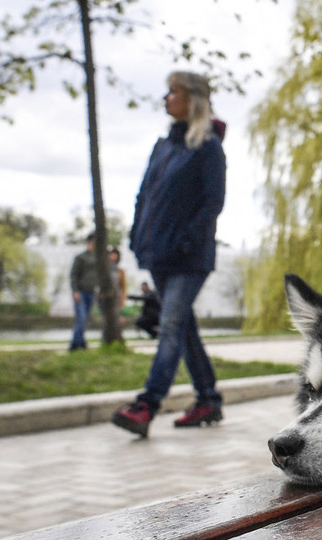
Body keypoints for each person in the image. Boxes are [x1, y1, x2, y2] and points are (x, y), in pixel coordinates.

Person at [111, 71, 227, 437]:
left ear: (191, 98)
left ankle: (147, 405)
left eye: (173, 92)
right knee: (184, 328)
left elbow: (213, 203)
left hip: (189, 257)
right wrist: (136, 234)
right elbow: (143, 196)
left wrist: (187, 242)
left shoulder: (208, 146)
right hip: (158, 252)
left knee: (171, 325)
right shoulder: (163, 147)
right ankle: (208, 399)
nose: (166, 98)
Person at [69, 233, 98, 351]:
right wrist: (75, 291)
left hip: (91, 292)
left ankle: (78, 344)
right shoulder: (81, 258)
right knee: (81, 317)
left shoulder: (99, 259)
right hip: (81, 292)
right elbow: (73, 275)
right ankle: (77, 344)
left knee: (85, 319)